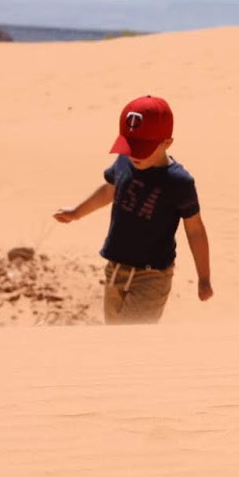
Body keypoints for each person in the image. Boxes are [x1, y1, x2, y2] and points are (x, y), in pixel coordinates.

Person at [54, 95, 213, 323]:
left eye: (143, 147)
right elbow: (109, 191)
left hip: (151, 277)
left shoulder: (178, 182)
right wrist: (76, 212)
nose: (134, 154)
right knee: (115, 338)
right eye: (131, 145)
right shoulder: (124, 161)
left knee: (132, 340)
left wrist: (204, 277)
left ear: (166, 143)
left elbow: (195, 229)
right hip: (115, 271)